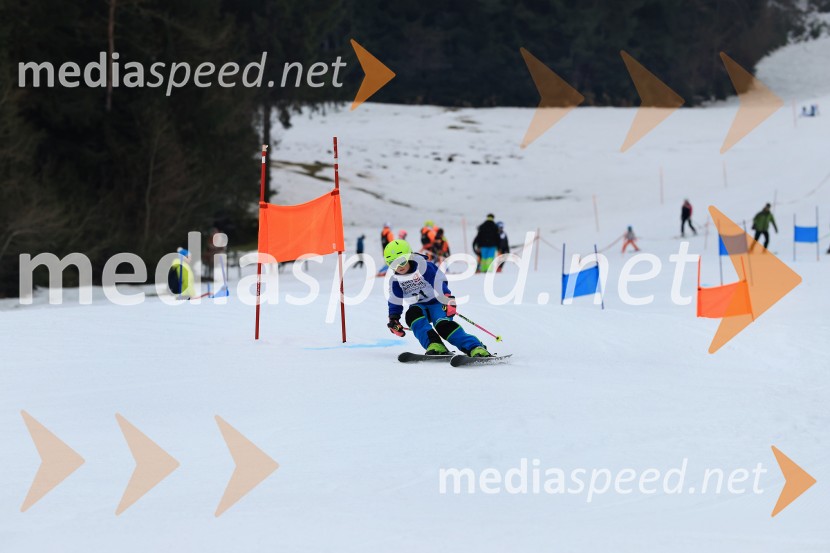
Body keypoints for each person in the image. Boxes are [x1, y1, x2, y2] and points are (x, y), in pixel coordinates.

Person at [384, 240, 490, 357]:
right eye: (393, 264)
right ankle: (435, 345)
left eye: (402, 262)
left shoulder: (424, 267)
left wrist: (447, 299)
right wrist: (393, 319)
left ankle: (475, 347)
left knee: (442, 326)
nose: (399, 267)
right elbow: (395, 300)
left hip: (438, 303)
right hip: (419, 306)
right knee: (412, 316)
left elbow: (439, 282)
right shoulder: (395, 280)